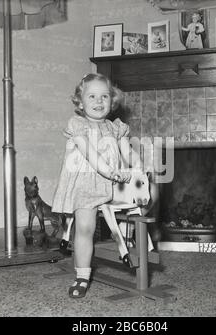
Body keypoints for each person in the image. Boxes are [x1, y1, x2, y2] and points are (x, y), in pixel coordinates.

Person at [52, 73, 134, 299]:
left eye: (104, 96)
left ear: (112, 100)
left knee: (139, 205)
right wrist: (109, 171)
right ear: (80, 101)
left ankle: (131, 248)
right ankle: (82, 276)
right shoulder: (78, 124)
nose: (99, 102)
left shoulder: (116, 128)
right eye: (92, 96)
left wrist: (139, 168)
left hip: (114, 184)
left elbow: (128, 154)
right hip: (87, 183)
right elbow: (90, 153)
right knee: (86, 229)